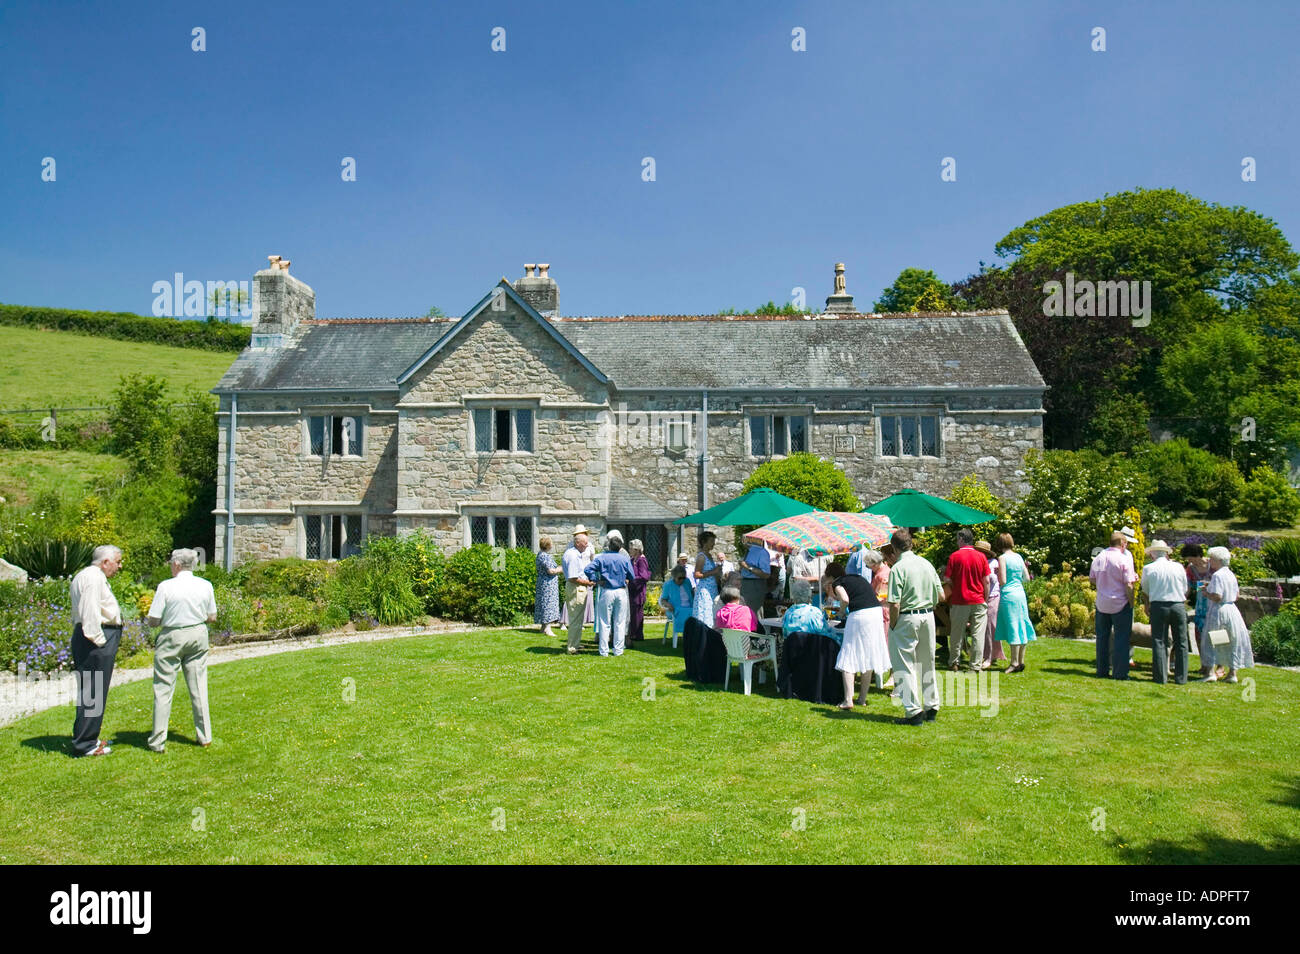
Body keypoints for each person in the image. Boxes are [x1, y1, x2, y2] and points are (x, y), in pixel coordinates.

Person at [146, 548, 218, 753]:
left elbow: (154, 619)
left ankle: (158, 740)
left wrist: (155, 621)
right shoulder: (205, 585)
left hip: (172, 635)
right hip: (198, 634)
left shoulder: (166, 586)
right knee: (198, 686)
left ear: (177, 564)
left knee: (163, 687)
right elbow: (212, 616)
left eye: (171, 563)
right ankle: (205, 736)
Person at [68, 545, 124, 757]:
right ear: (105, 562)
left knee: (92, 691)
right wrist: (100, 642)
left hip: (92, 639)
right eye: (117, 562)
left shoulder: (86, 575)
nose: (119, 566)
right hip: (95, 640)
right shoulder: (93, 578)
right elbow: (89, 611)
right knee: (94, 692)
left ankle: (86, 737)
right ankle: (86, 744)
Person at [884, 530, 944, 725]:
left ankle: (913, 712)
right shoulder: (926, 564)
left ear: (894, 548)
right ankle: (932, 706)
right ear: (911, 544)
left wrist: (893, 625)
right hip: (928, 615)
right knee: (928, 662)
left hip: (908, 617)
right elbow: (941, 596)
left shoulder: (898, 568)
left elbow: (894, 603)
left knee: (904, 665)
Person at [824, 562, 888, 709]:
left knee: (849, 653)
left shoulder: (837, 583)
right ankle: (862, 699)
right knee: (868, 654)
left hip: (860, 615)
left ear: (830, 576)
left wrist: (841, 611)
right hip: (876, 613)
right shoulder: (856, 578)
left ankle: (848, 700)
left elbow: (845, 599)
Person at [1090, 528, 1139, 680]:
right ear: (1123, 544)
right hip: (1120, 602)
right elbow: (1129, 584)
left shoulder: (1099, 557)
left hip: (1102, 602)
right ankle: (1120, 673)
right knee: (1121, 639)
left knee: (1102, 639)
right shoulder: (1124, 559)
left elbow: (1092, 579)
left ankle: (1102, 671)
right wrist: (1131, 602)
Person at [1202, 547, 1255, 683]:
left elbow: (1218, 596)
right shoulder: (1231, 574)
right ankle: (1232, 673)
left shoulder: (1217, 575)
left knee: (1213, 639)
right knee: (1231, 640)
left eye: (1212, 559)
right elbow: (1236, 596)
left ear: (1218, 560)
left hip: (1219, 610)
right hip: (1232, 609)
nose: (1210, 561)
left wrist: (1206, 593)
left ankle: (1210, 672)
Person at [1140, 540, 1189, 685]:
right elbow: (1185, 587)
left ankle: (1160, 677)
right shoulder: (1178, 567)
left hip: (1159, 605)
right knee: (1181, 642)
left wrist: (1147, 605)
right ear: (1166, 553)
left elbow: (1146, 590)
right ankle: (1181, 678)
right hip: (1178, 604)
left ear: (1152, 553)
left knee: (1159, 641)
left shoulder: (1148, 568)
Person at [943, 528, 989, 672]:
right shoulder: (981, 557)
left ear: (962, 539)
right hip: (978, 599)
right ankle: (975, 665)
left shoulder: (954, 556)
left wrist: (954, 585)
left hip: (959, 600)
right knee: (978, 634)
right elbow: (986, 580)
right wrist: (985, 599)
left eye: (957, 539)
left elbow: (947, 578)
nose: (957, 542)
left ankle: (954, 662)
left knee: (957, 633)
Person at [584, 531, 634, 656]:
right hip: (621, 591)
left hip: (607, 590)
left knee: (604, 621)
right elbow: (632, 576)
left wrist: (596, 580)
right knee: (620, 622)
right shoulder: (624, 559)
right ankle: (618, 650)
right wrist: (624, 577)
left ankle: (604, 650)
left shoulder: (602, 558)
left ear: (609, 546)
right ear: (620, 547)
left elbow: (587, 569)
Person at [994, 533, 1036, 673]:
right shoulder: (1018, 557)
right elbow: (1027, 578)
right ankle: (1021, 660)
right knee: (1022, 625)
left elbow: (1003, 581)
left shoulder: (1002, 558)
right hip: (1020, 594)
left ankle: (1013, 662)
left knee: (1013, 626)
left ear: (999, 544)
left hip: (1009, 595)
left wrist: (998, 574)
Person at [561, 528, 594, 655]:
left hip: (576, 588)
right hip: (576, 588)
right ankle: (572, 648)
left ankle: (576, 644)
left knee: (578, 619)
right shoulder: (573, 556)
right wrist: (589, 583)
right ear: (578, 543)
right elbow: (574, 578)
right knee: (575, 619)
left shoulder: (573, 553)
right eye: (585, 542)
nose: (587, 545)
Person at [975, 540, 1006, 669]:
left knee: (990, 627)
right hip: (981, 598)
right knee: (983, 628)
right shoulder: (978, 563)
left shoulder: (993, 563)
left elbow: (995, 580)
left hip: (993, 597)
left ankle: (990, 656)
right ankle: (985, 654)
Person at [1182, 543, 1212, 662]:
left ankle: (1220, 665)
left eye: (1191, 558)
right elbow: (1188, 588)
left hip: (1213, 603)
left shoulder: (1213, 564)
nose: (1190, 561)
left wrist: (1206, 585)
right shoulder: (1190, 569)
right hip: (1200, 604)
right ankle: (1204, 664)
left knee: (1216, 634)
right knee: (1199, 634)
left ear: (1198, 555)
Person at [691, 531, 724, 627]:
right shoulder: (701, 557)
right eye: (711, 541)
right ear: (704, 542)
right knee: (705, 616)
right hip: (705, 591)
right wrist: (714, 571)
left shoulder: (709, 555)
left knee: (712, 614)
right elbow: (696, 575)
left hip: (712, 589)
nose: (713, 543)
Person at [534, 536, 563, 638]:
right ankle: (547, 628)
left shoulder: (541, 555)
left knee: (544, 604)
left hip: (544, 583)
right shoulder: (544, 556)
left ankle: (543, 627)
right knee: (548, 605)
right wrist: (561, 569)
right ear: (548, 545)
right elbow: (551, 570)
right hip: (548, 585)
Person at [658, 565, 695, 641]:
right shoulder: (668, 585)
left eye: (683, 578)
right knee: (687, 615)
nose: (682, 580)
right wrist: (668, 605)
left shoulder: (687, 581)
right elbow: (663, 600)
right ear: (674, 577)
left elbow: (692, 594)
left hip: (690, 608)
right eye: (679, 578)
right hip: (675, 610)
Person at [626, 539, 653, 641]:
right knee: (632, 613)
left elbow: (644, 576)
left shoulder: (641, 560)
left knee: (637, 613)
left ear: (637, 549)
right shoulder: (633, 560)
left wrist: (631, 580)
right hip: (632, 590)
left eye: (631, 548)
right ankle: (632, 633)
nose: (629, 550)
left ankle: (637, 635)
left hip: (638, 591)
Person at [739, 541, 772, 616]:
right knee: (744, 612)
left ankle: (758, 627)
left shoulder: (761, 552)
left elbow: (766, 574)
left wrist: (748, 567)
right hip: (744, 583)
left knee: (754, 613)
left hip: (755, 585)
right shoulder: (748, 551)